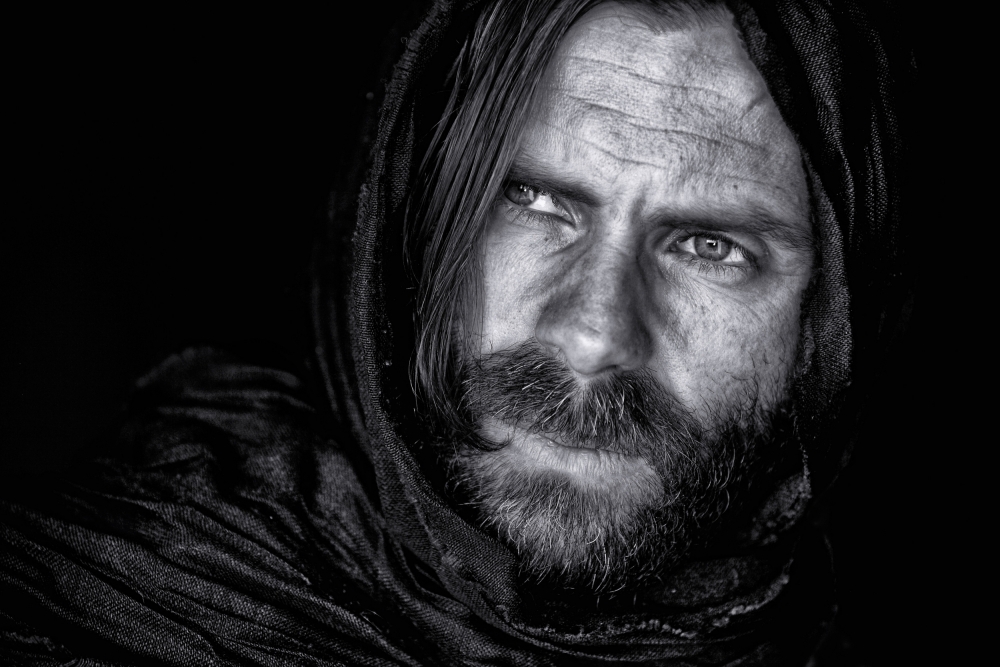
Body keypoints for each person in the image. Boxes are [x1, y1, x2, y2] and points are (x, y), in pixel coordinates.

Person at [1, 0, 914, 664]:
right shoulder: (103, 610)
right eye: (535, 200)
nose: (593, 338)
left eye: (711, 247)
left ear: (824, 325)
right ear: (407, 225)